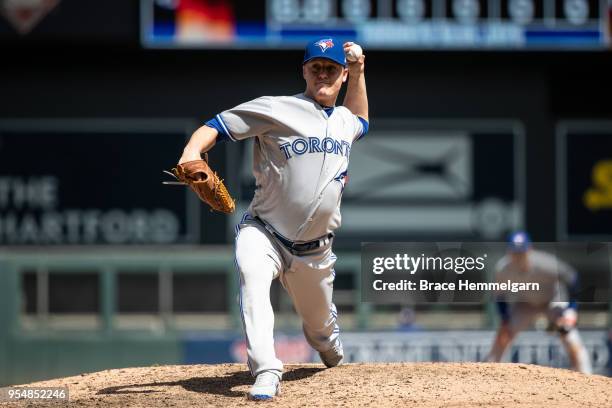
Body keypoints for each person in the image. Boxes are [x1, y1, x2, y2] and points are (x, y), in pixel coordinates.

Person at [177, 37, 368, 399]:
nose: (322, 74)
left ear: (341, 75)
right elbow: (216, 125)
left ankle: (327, 338)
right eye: (316, 68)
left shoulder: (345, 121)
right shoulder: (276, 108)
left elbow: (360, 117)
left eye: (330, 69)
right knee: (251, 274)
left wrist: (358, 70)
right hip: (265, 231)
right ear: (305, 72)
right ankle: (266, 369)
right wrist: (191, 151)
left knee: (323, 337)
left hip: (315, 251)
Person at [487, 231, 592, 374]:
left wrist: (571, 309)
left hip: (552, 302)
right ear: (509, 251)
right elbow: (499, 296)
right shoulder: (503, 268)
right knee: (503, 335)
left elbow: (573, 279)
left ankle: (586, 376)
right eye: (515, 252)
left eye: (521, 252)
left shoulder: (545, 263)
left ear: (529, 250)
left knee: (569, 335)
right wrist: (505, 318)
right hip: (525, 305)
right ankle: (489, 373)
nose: (518, 256)